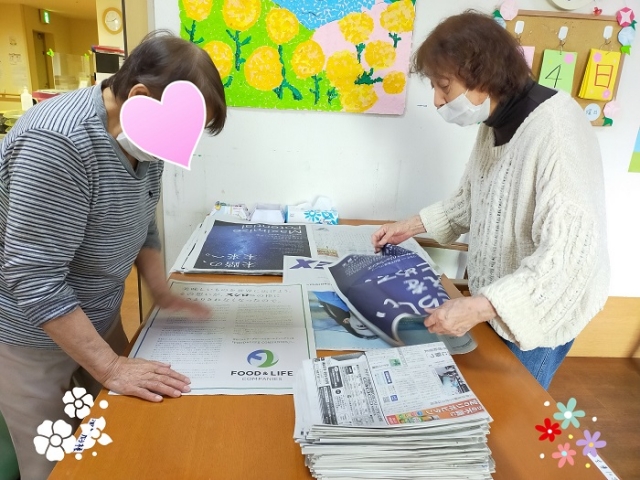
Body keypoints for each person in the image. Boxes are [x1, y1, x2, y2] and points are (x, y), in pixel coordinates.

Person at [0, 31, 226, 480]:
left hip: (97, 316)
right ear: (140, 97)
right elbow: (33, 276)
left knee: (119, 436)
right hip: (30, 336)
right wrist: (109, 365)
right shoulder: (58, 142)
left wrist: (161, 290)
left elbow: (142, 218)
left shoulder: (144, 136)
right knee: (56, 460)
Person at [372, 11, 609, 390]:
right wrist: (410, 226)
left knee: (513, 405)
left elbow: (568, 262)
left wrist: (479, 306)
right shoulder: (496, 121)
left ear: (482, 76)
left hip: (541, 310)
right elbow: (472, 200)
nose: (437, 101)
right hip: (498, 299)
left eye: (443, 86)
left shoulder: (555, 131)